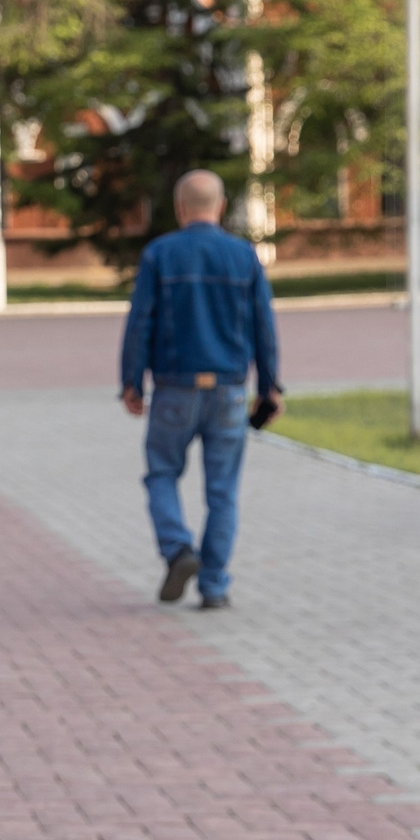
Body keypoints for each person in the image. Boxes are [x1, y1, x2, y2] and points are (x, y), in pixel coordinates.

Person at [119, 169, 283, 611]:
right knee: (222, 491)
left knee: (161, 473)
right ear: (221, 207)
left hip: (174, 388)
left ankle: (178, 549)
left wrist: (131, 382)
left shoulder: (160, 254)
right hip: (229, 391)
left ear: (179, 209)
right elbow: (263, 326)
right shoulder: (243, 256)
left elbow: (140, 322)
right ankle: (214, 587)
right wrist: (269, 386)